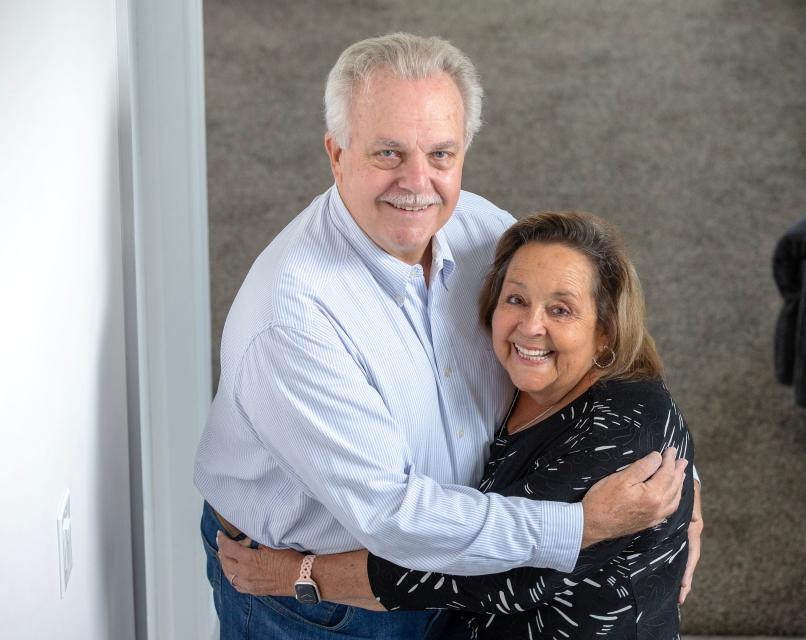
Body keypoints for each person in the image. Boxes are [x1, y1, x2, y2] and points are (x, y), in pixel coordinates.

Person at [194, 33, 701, 639]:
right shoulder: (294, 322)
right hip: (319, 596)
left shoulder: (483, 231)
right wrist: (583, 526)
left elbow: (589, 358)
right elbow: (397, 518)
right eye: (388, 153)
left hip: (464, 566)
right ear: (336, 153)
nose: (418, 183)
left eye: (441, 154)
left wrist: (678, 488)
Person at [220, 211, 695, 640]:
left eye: (561, 309)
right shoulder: (527, 382)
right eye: (516, 299)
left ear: (606, 330)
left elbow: (488, 575)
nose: (530, 326)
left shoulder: (624, 432)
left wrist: (298, 576)